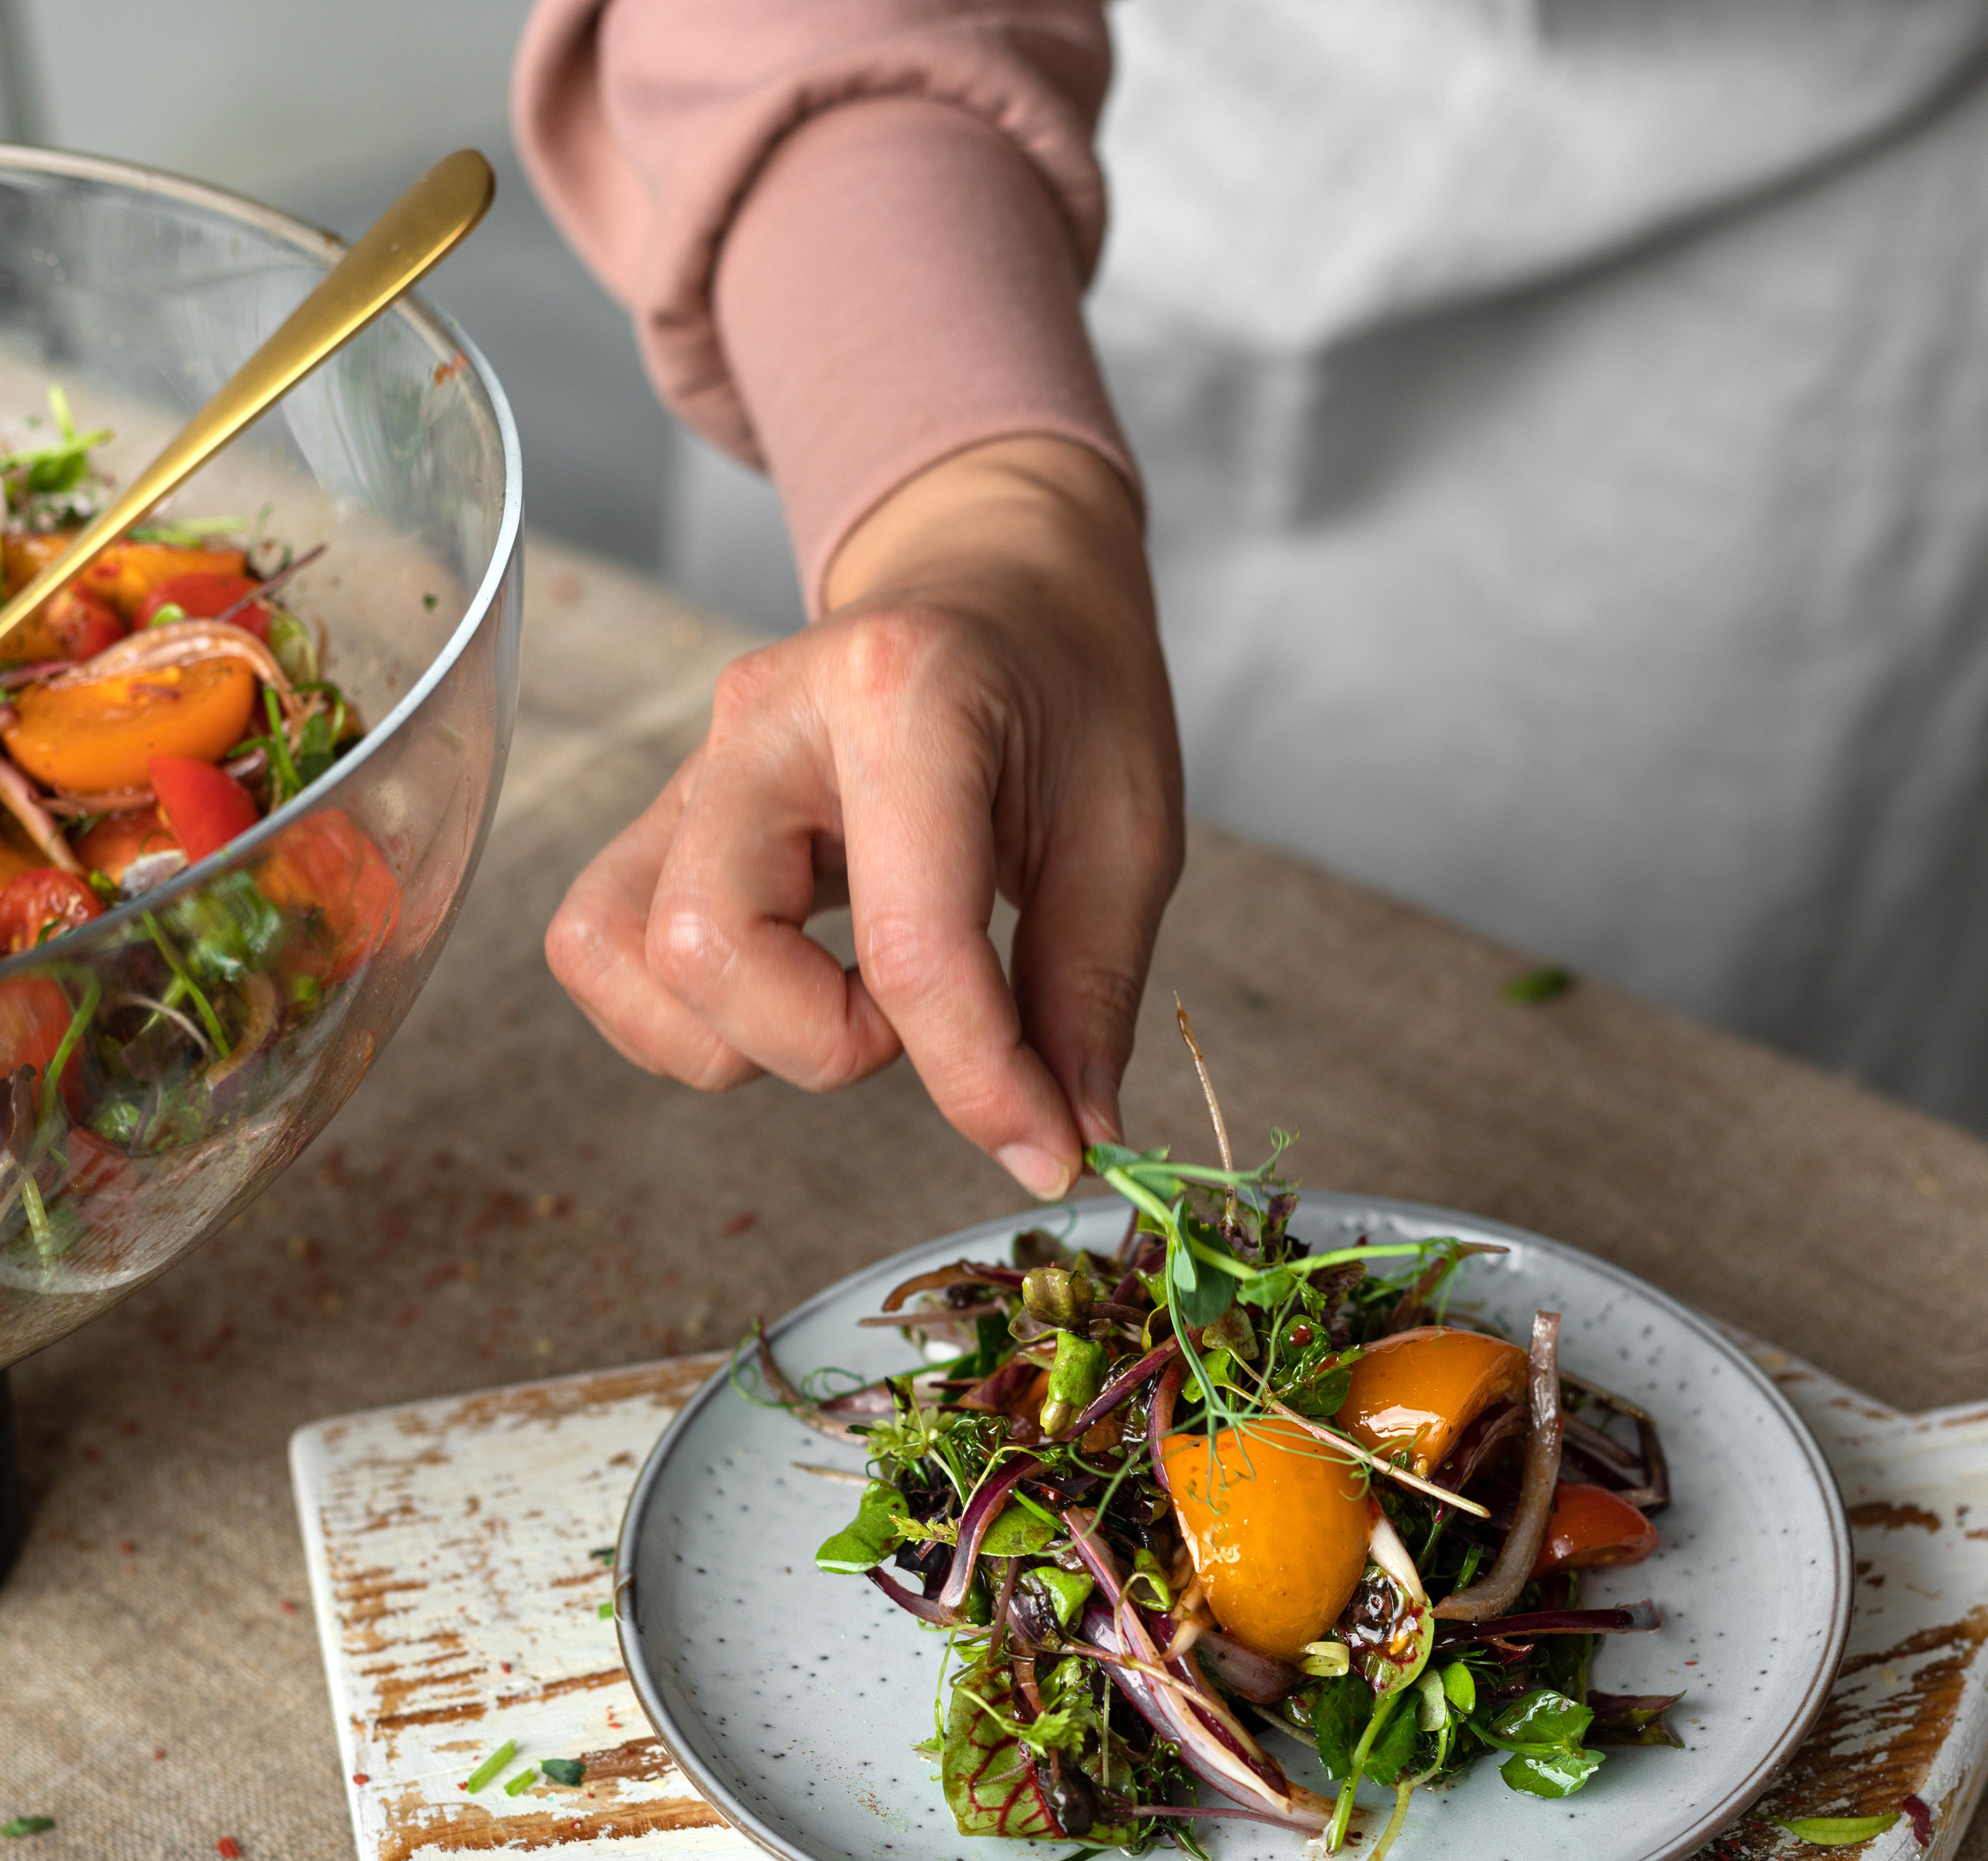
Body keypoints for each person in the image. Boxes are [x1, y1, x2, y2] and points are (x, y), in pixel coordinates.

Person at [513, 2, 1988, 1191]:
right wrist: (972, 512)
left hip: (1803, 298)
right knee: (857, 1063)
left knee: (1682, 1165)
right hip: (915, 232)